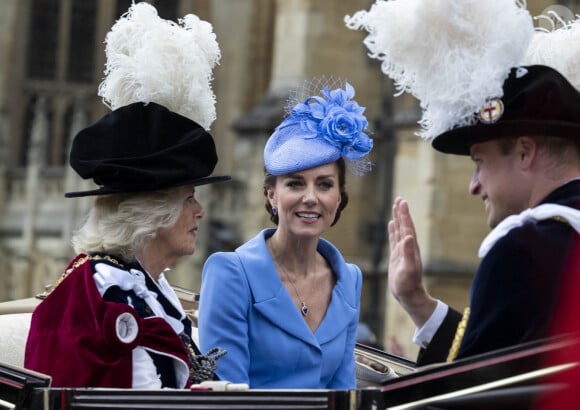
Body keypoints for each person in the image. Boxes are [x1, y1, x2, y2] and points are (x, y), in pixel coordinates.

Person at [346, 1, 580, 365]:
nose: (474, 185)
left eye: (479, 162)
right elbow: (510, 357)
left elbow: (470, 390)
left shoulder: (525, 246)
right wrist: (416, 300)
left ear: (524, 152)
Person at [24, 2, 229, 388]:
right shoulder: (102, 292)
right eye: (188, 198)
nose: (200, 211)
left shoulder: (141, 284)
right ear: (152, 213)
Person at [197, 78, 374, 388]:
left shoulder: (349, 278)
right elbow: (226, 397)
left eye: (324, 184)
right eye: (295, 183)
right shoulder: (230, 273)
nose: (310, 197)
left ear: (339, 196)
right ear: (271, 196)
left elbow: (343, 392)